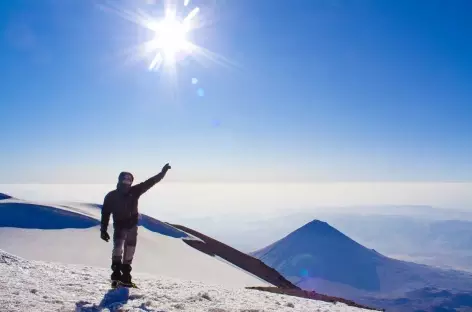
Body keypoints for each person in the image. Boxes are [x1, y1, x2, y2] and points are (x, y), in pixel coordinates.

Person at [100, 163, 171, 286]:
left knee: (127, 250)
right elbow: (105, 213)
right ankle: (119, 277)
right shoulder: (113, 195)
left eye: (129, 180)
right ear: (120, 180)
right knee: (121, 250)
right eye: (125, 180)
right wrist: (103, 229)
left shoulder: (130, 192)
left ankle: (122, 277)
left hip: (130, 226)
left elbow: (150, 182)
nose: (127, 182)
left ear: (131, 181)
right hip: (123, 226)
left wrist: (162, 173)